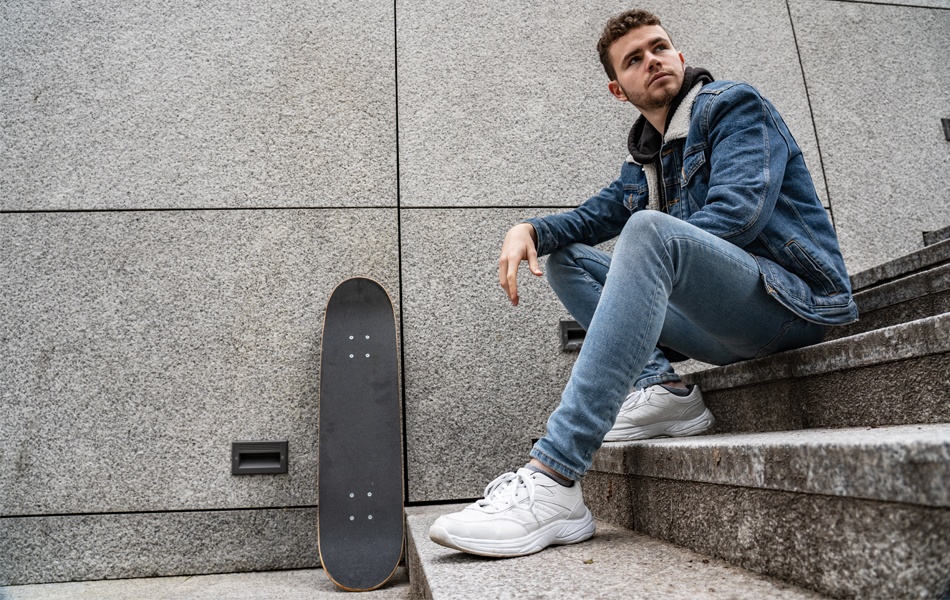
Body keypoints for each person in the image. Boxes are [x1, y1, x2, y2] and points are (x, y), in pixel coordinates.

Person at [429, 8, 857, 557]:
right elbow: (584, 221)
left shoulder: (732, 107)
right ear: (617, 88)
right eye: (634, 59)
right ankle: (663, 389)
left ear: (680, 56)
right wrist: (528, 228)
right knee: (566, 257)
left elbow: (738, 216)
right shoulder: (645, 164)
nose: (651, 60)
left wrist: (648, 259)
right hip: (727, 324)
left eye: (659, 47)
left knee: (649, 232)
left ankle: (554, 478)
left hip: (793, 304)